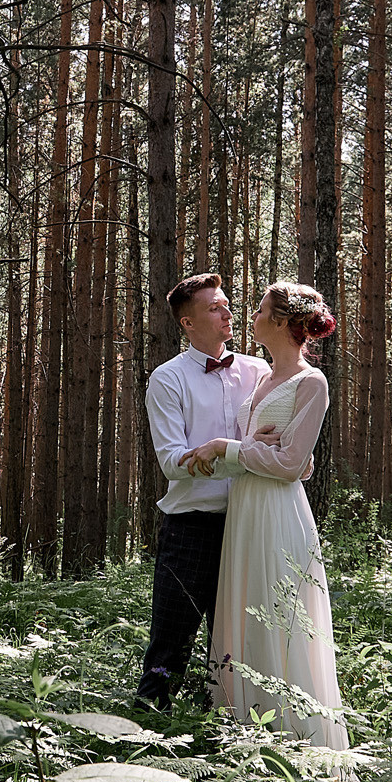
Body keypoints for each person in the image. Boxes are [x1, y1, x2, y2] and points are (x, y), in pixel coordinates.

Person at [180, 281, 351, 749]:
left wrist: (229, 448)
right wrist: (257, 449)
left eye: (258, 309)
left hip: (278, 513)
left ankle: (294, 744)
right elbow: (286, 455)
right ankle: (242, 744)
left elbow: (295, 464)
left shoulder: (311, 381)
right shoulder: (261, 379)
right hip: (245, 511)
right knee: (243, 614)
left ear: (280, 322)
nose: (248, 316)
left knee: (281, 617)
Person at [137, 273, 268, 708]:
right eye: (214, 307)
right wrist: (234, 453)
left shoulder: (258, 370)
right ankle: (149, 728)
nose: (227, 311)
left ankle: (226, 733)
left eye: (226, 303)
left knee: (241, 641)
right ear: (188, 323)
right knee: (170, 641)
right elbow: (173, 461)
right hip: (190, 528)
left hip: (250, 523)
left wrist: (217, 453)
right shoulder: (167, 379)